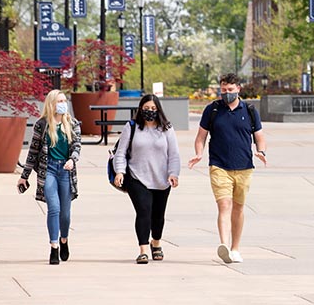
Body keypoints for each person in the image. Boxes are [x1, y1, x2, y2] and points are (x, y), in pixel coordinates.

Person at [188, 73, 267, 264]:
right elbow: (201, 137)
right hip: (219, 165)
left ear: (238, 89)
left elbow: (259, 136)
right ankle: (224, 245)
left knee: (238, 208)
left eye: (230, 90)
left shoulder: (249, 110)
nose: (226, 93)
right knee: (224, 205)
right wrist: (199, 153)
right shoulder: (212, 109)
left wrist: (261, 151)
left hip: (244, 166)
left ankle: (235, 248)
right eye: (223, 90)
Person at [113, 94, 180, 264]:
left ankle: (155, 243)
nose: (149, 111)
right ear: (140, 108)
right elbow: (120, 152)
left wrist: (174, 173)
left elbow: (174, 154)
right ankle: (143, 249)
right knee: (143, 211)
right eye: (146, 108)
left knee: (158, 215)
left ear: (158, 110)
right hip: (137, 177)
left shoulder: (166, 128)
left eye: (153, 109)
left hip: (161, 179)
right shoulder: (132, 127)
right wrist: (120, 172)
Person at [17, 89, 81, 265]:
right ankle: (54, 247)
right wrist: (25, 176)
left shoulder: (73, 123)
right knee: (54, 208)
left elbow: (77, 146)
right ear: (51, 104)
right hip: (48, 170)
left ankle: (64, 240)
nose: (62, 104)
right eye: (59, 101)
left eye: (64, 100)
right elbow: (33, 151)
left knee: (65, 214)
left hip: (66, 171)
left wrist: (72, 160)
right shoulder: (42, 124)